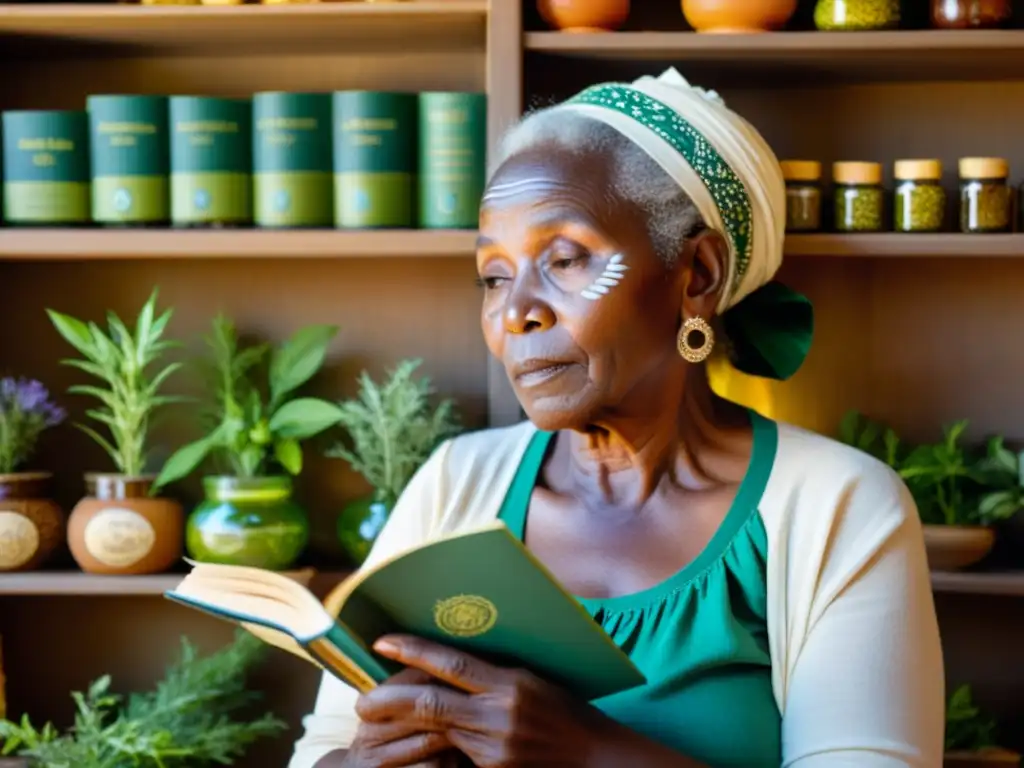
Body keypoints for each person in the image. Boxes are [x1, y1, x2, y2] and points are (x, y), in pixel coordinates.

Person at [289, 68, 945, 768]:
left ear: (697, 276)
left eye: (565, 259)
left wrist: (585, 751)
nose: (515, 313)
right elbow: (326, 746)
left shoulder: (840, 507)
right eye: (494, 277)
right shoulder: (456, 483)